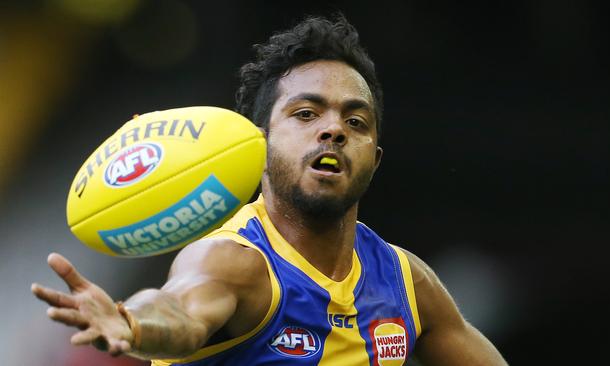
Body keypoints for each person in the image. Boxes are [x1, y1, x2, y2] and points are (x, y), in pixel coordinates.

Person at [31, 15, 507, 365]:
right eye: (306, 114)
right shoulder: (233, 262)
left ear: (374, 159)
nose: (334, 131)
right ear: (259, 145)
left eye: (356, 121)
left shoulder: (406, 282)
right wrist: (132, 323)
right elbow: (178, 310)